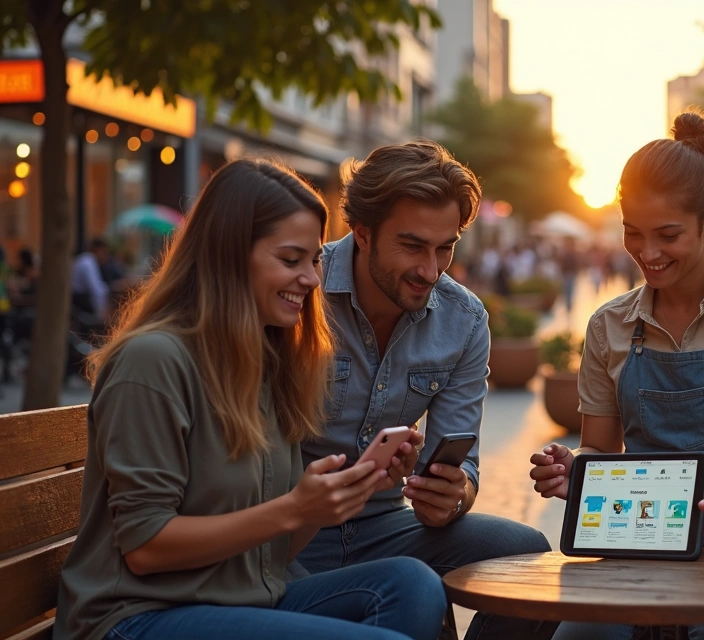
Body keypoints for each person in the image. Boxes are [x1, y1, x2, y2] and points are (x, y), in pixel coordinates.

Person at [53, 159, 446, 640]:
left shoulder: (265, 361)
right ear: (229, 254)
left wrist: (344, 492)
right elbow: (146, 547)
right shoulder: (153, 360)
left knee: (413, 585)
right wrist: (294, 509)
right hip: (136, 616)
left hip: (242, 598)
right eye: (290, 260)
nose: (312, 279)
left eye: (315, 259)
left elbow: (273, 552)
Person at [529, 110, 704, 640]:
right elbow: (599, 447)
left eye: (667, 235)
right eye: (632, 234)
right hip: (632, 535)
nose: (648, 253)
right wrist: (576, 472)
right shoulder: (607, 324)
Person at [296, 141, 556, 640]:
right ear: (363, 232)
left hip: (387, 528)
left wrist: (454, 497)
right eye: (413, 246)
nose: (431, 270)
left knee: (531, 559)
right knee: (413, 593)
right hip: (289, 535)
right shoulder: (300, 290)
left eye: (446, 247)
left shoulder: (463, 320)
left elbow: (466, 461)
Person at [70, 238, 112, 323]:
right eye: (104, 252)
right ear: (98, 250)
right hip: (81, 306)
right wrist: (102, 315)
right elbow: (96, 290)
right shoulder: (88, 262)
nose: (105, 256)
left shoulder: (85, 260)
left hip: (79, 303)